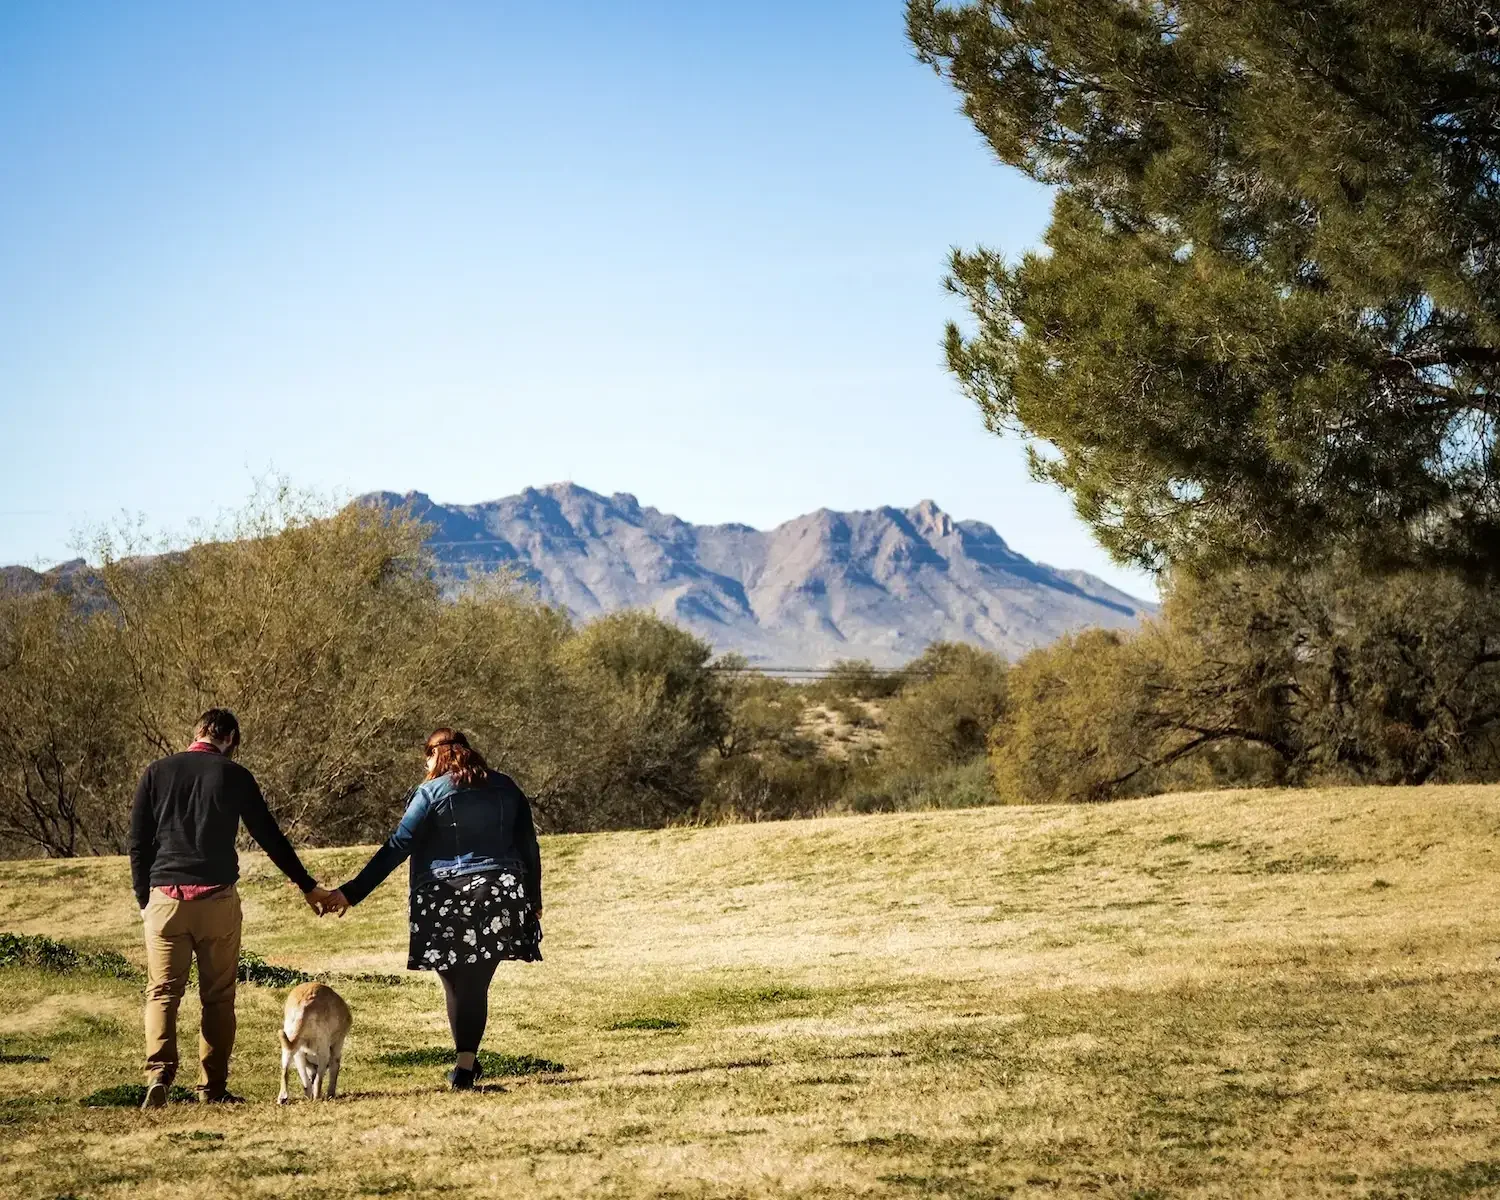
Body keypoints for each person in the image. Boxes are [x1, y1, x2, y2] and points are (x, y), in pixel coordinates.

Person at [128, 708, 338, 1110]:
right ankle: (212, 1087)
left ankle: (158, 1074)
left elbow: (138, 844)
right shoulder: (234, 776)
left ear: (198, 733)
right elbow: (270, 837)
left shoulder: (156, 772)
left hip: (165, 899)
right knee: (218, 997)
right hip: (217, 899)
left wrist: (146, 899)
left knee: (162, 993)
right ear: (231, 740)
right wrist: (308, 887)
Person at [327, 729, 543, 1090]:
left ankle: (464, 1066)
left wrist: (352, 892)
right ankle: (465, 1065)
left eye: (426, 757)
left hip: (443, 896)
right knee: (474, 983)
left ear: (435, 756)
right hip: (498, 890)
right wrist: (533, 898)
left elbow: (399, 845)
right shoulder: (507, 787)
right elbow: (528, 845)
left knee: (456, 983)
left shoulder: (430, 793)